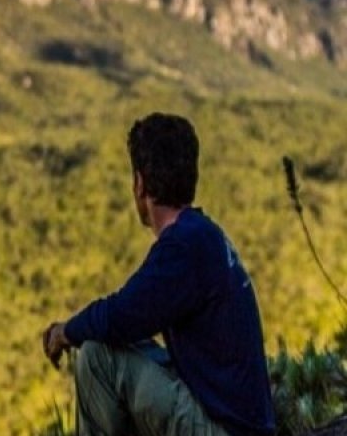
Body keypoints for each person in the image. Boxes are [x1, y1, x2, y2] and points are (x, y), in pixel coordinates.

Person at [42, 113, 275, 436]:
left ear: (139, 183)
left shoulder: (183, 245)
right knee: (123, 342)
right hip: (234, 419)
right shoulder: (202, 234)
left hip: (224, 431)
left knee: (97, 355)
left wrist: (62, 332)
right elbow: (130, 316)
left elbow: (118, 315)